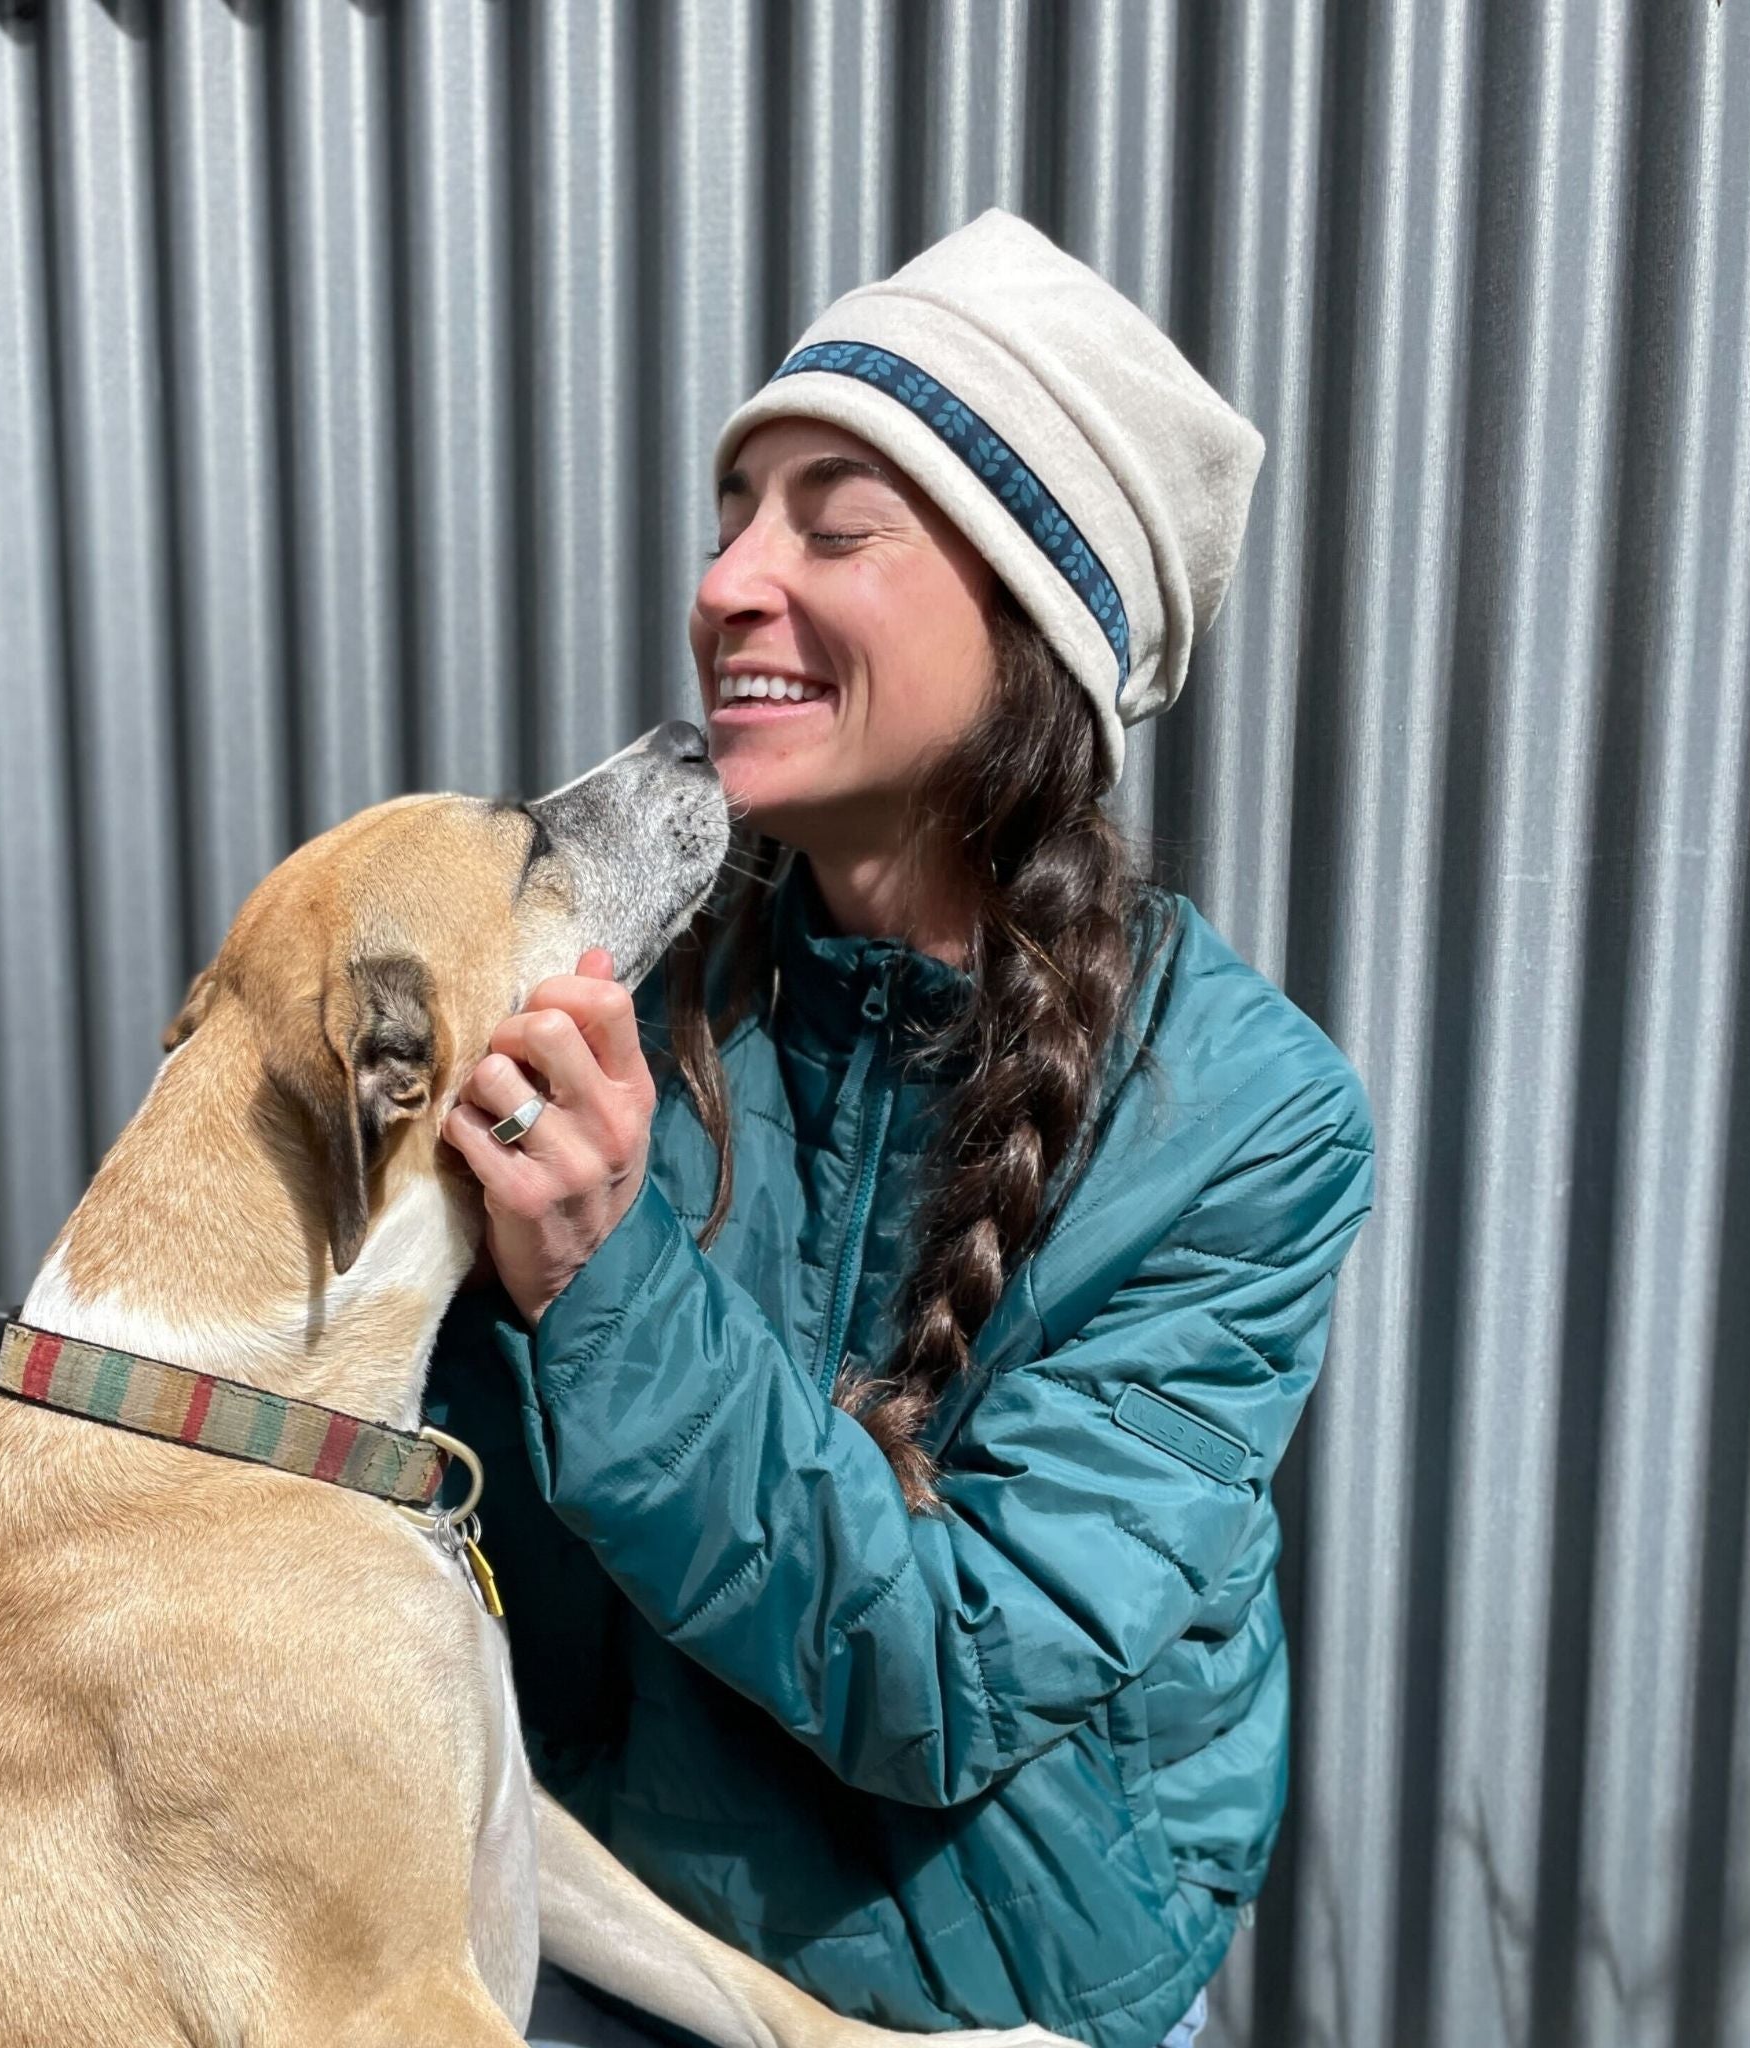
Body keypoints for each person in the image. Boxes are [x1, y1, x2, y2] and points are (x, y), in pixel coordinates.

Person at [431, 209, 1376, 2048]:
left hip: (989, 1989)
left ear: (1037, 630)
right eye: (731, 520)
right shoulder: (621, 987)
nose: (726, 585)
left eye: (835, 526)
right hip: (596, 1918)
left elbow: (947, 1669)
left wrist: (607, 1280)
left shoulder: (1250, 1128)